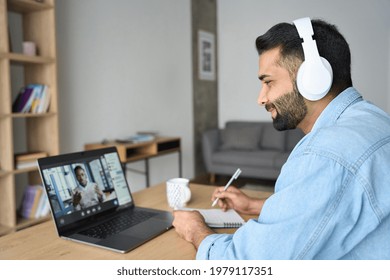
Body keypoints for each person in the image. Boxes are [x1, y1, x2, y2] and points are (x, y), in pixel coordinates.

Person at [173, 17, 390, 259]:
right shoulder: (377, 120)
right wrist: (254, 206)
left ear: (313, 79)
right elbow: (335, 207)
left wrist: (195, 230)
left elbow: (246, 266)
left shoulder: (325, 154)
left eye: (268, 82)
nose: (261, 99)